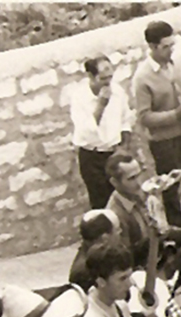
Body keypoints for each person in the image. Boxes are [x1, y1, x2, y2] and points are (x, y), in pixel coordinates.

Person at [132, 20, 181, 228]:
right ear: (151, 47)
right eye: (165, 47)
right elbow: (144, 117)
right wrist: (176, 114)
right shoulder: (142, 77)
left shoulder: (179, 62)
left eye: (172, 45)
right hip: (165, 143)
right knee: (171, 194)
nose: (170, 50)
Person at [104, 150, 181, 271]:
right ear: (114, 182)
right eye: (131, 178)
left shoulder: (138, 193)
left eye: (139, 175)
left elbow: (161, 230)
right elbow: (126, 260)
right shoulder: (116, 216)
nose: (139, 182)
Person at [70, 55, 133, 209]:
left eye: (110, 77)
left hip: (115, 153)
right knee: (102, 204)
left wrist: (123, 147)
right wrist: (101, 105)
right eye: (103, 79)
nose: (108, 83)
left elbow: (125, 121)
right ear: (91, 76)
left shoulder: (117, 91)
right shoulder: (79, 98)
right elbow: (86, 131)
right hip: (93, 157)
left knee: (126, 200)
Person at [69, 209, 123, 292]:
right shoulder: (84, 272)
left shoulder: (101, 255)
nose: (120, 233)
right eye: (117, 230)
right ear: (105, 239)